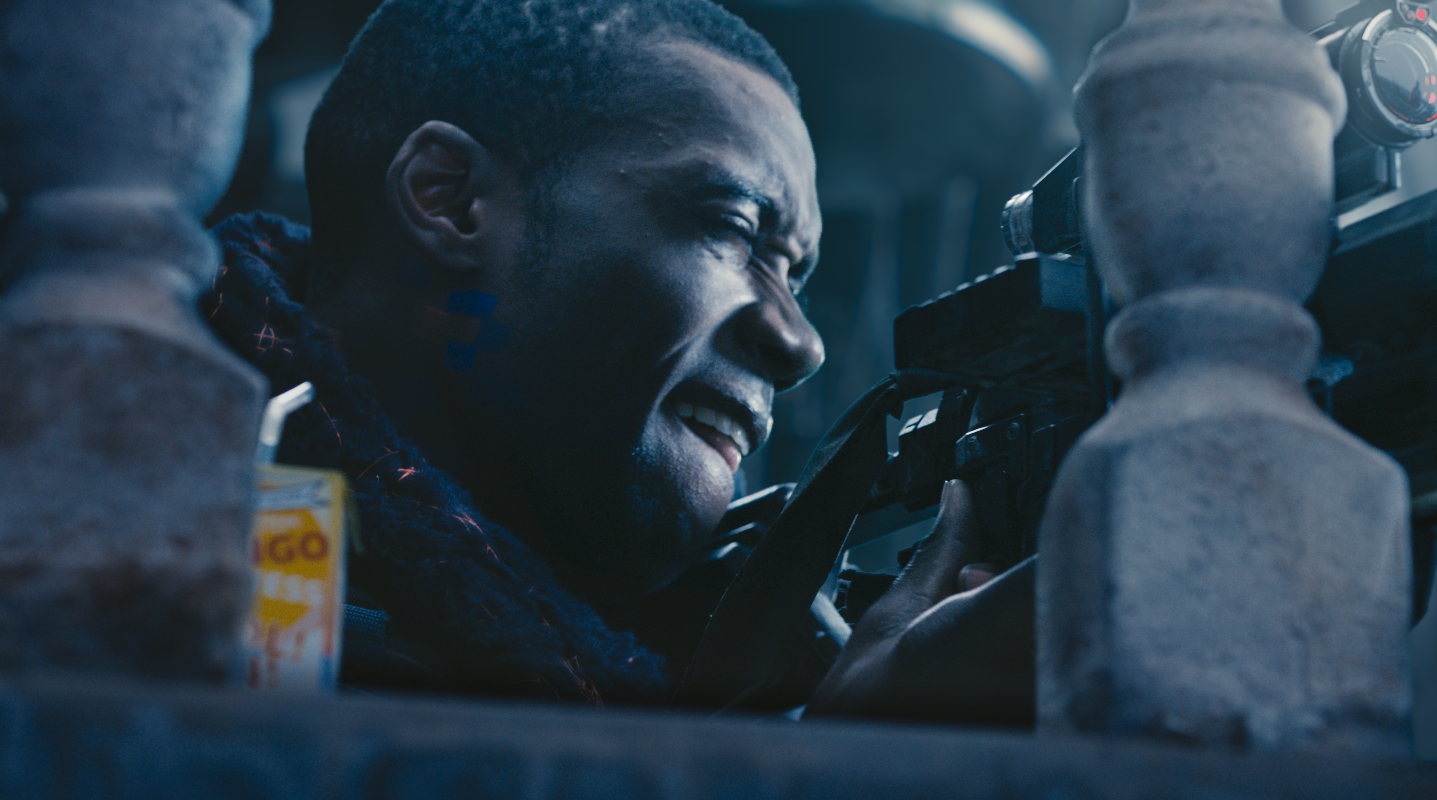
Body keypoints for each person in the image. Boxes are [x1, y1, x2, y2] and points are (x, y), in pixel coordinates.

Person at [204, 0, 1031, 716]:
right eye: (734, 227)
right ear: (449, 198)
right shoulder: (189, 539)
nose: (798, 343)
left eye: (796, 276)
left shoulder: (664, 653)